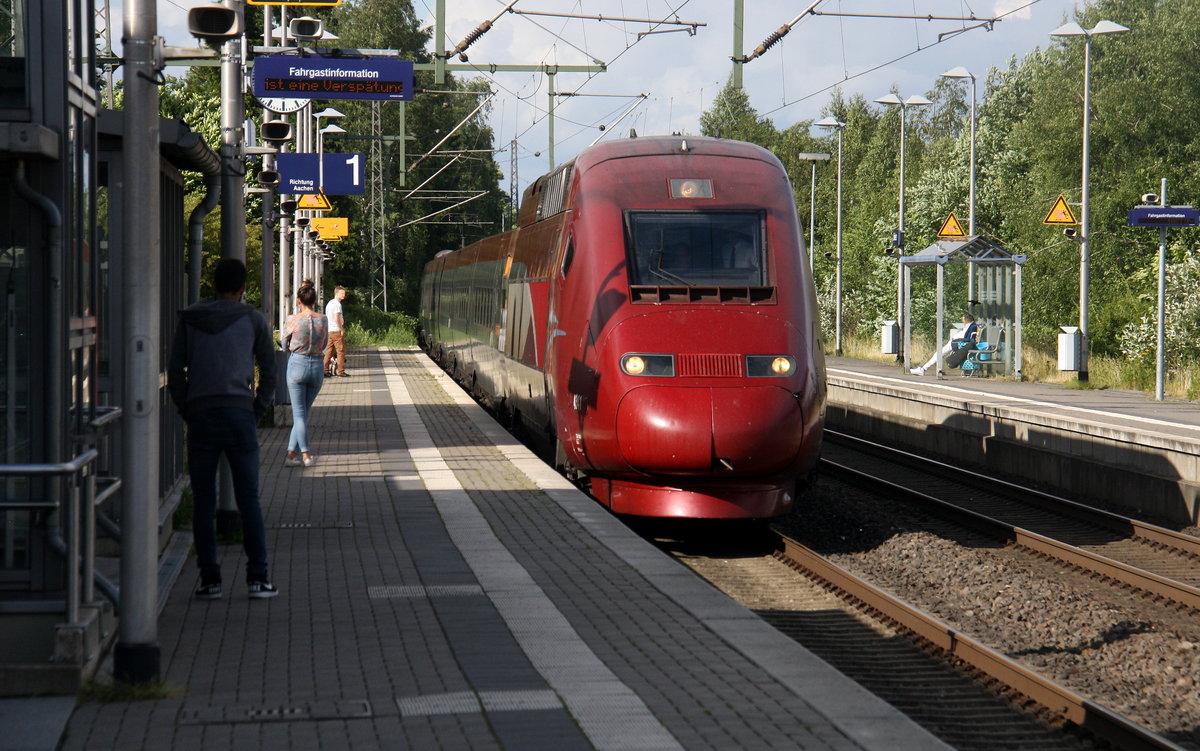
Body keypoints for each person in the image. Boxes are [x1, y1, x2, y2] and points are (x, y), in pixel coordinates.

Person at [168, 258, 279, 600]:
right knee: (249, 500)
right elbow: (270, 372)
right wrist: (256, 410)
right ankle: (257, 579)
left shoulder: (191, 319)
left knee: (203, 501)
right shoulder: (254, 320)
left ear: (212, 285)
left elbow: (175, 374)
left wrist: (189, 409)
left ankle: (209, 580)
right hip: (239, 415)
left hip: (201, 415)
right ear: (244, 288)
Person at [283, 284, 328, 468]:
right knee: (303, 414)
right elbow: (325, 342)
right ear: (315, 301)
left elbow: (284, 341)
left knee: (299, 415)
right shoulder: (323, 319)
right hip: (317, 365)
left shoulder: (292, 319)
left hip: (297, 365)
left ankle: (306, 454)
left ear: (298, 301)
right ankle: (290, 455)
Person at [910, 313, 979, 376]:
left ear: (966, 320)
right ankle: (924, 368)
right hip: (956, 342)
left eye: (963, 320)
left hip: (957, 343)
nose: (962, 322)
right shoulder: (970, 326)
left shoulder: (971, 327)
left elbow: (968, 338)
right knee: (939, 354)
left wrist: (956, 340)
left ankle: (923, 369)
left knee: (939, 354)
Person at [323, 285, 349, 377]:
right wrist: (341, 329)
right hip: (336, 330)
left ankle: (325, 370)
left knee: (329, 350)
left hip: (329, 330)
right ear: (336, 293)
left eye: (344, 294)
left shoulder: (330, 303)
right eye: (342, 293)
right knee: (340, 350)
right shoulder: (337, 304)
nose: (344, 295)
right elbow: (336, 317)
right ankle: (341, 371)